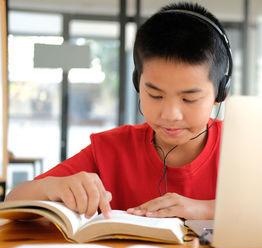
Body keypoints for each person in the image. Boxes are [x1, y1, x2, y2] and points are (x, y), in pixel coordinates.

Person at [5, 2, 232, 221]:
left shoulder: (241, 148)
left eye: (189, 98)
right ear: (137, 83)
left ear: (220, 93)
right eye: (155, 95)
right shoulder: (109, 150)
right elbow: (13, 201)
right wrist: (52, 187)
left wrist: (205, 209)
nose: (171, 114)